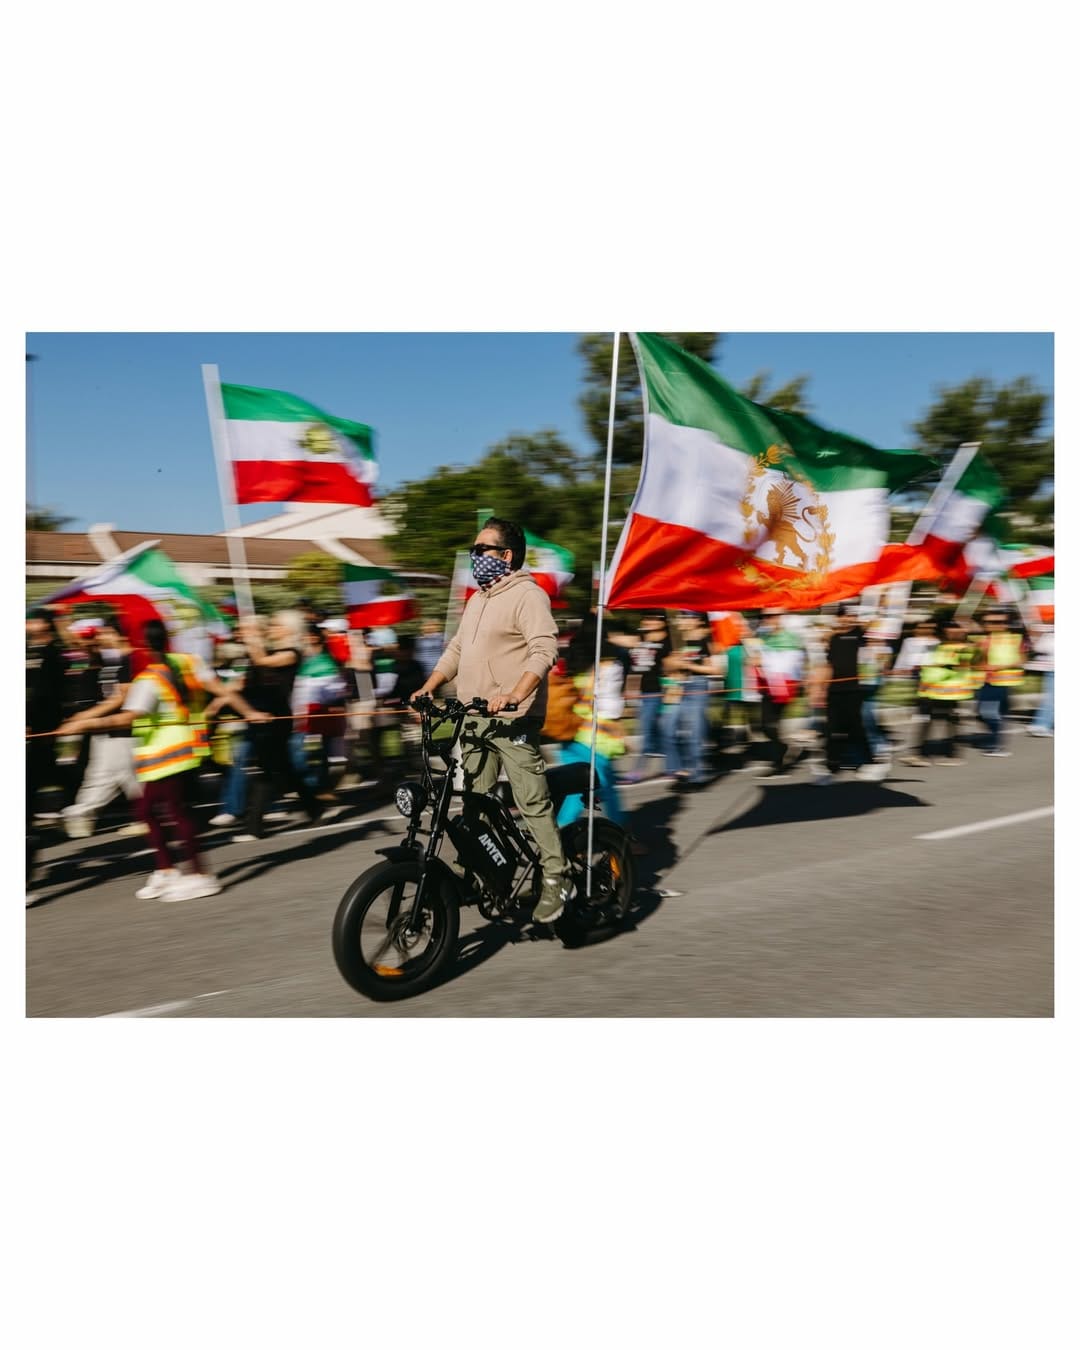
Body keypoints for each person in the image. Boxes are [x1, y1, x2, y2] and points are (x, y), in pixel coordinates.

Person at [411, 516, 572, 923]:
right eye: (474, 549)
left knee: (530, 800)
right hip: (475, 719)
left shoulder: (527, 595)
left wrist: (516, 694)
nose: (475, 556)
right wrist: (429, 685)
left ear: (506, 555)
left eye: (482, 550)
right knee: (475, 805)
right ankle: (479, 870)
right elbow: (456, 650)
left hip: (512, 719)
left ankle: (557, 875)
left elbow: (544, 650)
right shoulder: (477, 600)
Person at [60, 619, 265, 901]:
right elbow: (223, 690)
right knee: (149, 812)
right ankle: (168, 871)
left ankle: (199, 876)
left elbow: (127, 717)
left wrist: (83, 725)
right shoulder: (189, 661)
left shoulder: (149, 679)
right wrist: (250, 711)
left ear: (142, 645)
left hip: (164, 753)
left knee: (175, 814)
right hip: (181, 748)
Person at [235, 610, 326, 841]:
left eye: (276, 624)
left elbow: (261, 661)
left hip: (278, 717)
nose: (271, 628)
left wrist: (252, 638)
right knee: (284, 768)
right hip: (263, 714)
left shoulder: (291, 653)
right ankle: (313, 807)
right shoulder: (271, 650)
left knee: (266, 769)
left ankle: (253, 827)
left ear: (289, 630)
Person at [58, 615, 143, 838]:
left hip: (122, 732)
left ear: (121, 635)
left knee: (111, 778)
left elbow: (120, 699)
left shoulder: (130, 661)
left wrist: (84, 718)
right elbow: (113, 696)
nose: (101, 636)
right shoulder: (114, 660)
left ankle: (78, 814)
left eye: (106, 632)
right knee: (118, 778)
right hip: (106, 732)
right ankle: (80, 815)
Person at [900, 618, 977, 766]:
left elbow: (964, 662)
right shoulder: (936, 645)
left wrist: (944, 662)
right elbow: (926, 665)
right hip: (930, 689)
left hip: (951, 691)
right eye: (949, 627)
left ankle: (953, 754)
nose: (951, 630)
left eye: (955, 628)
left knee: (950, 720)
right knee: (925, 720)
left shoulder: (965, 646)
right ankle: (919, 754)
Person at [26, 608, 67, 876]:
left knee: (25, 801)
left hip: (37, 734)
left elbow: (47, 695)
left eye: (33, 618)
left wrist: (32, 723)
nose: (28, 623)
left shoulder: (54, 654)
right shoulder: (27, 651)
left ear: (47, 625)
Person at [819, 605, 877, 782]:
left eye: (851, 616)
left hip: (855, 689)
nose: (848, 619)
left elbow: (875, 629)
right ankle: (832, 766)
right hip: (834, 690)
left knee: (855, 727)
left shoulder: (861, 635)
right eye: (844, 616)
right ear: (838, 618)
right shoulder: (833, 638)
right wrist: (822, 689)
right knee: (832, 729)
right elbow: (828, 665)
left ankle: (868, 762)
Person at [613, 613, 671, 782]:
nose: (648, 621)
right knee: (660, 732)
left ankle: (636, 772)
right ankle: (675, 765)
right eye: (646, 619)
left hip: (659, 692)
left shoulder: (668, 642)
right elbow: (635, 668)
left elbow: (671, 670)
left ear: (663, 622)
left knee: (646, 733)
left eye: (653, 618)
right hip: (643, 693)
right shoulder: (641, 639)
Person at [661, 613, 717, 787]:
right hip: (676, 687)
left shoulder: (705, 639)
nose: (682, 620)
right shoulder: (674, 640)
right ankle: (680, 769)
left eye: (687, 617)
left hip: (696, 686)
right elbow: (665, 666)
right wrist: (672, 663)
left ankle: (695, 776)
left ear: (698, 620)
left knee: (693, 733)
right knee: (668, 727)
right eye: (681, 617)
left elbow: (715, 669)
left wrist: (688, 665)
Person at [750, 610, 805, 778]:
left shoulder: (790, 636)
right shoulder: (763, 635)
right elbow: (758, 655)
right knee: (761, 725)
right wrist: (756, 660)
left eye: (771, 616)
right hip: (768, 685)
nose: (766, 620)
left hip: (783, 686)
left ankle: (778, 760)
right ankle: (782, 749)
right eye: (764, 616)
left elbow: (791, 663)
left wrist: (764, 660)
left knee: (769, 724)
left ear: (781, 618)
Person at [973, 608, 1027, 756]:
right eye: (988, 622)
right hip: (984, 681)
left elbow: (1022, 660)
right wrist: (979, 656)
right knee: (987, 713)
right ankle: (994, 740)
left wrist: (999, 666)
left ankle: (996, 745)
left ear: (1006, 624)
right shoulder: (982, 640)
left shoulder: (1015, 639)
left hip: (1002, 682)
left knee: (988, 713)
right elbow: (976, 662)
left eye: (998, 622)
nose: (993, 625)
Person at [1027, 622, 1054, 736]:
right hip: (1053, 668)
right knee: (1052, 698)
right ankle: (1040, 725)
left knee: (1051, 697)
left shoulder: (1048, 632)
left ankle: (1042, 724)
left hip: (1050, 667)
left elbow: (1038, 647)